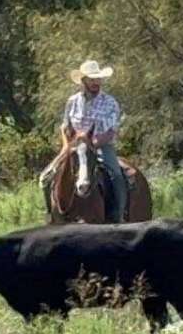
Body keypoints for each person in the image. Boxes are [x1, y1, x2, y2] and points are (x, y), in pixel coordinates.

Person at [40, 59, 127, 223]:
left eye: (98, 79)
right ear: (83, 81)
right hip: (74, 147)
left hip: (100, 146)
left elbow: (111, 131)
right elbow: (65, 127)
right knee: (45, 177)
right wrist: (67, 146)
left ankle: (119, 214)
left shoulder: (110, 103)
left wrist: (93, 143)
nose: (96, 82)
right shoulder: (72, 101)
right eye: (92, 79)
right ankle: (51, 214)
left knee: (116, 174)